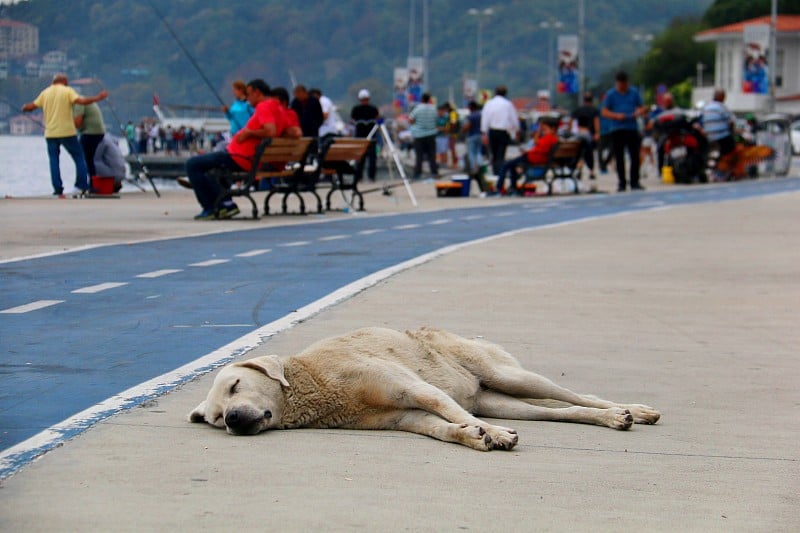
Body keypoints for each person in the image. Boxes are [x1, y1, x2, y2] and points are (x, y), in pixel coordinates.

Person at [185, 79, 286, 220]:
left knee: (192, 164)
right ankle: (226, 204)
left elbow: (270, 131)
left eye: (249, 94)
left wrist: (248, 133)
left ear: (257, 92)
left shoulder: (264, 106)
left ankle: (211, 207)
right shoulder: (279, 108)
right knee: (208, 166)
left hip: (241, 158)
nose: (248, 98)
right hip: (245, 156)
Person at [21, 73, 108, 197]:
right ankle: (82, 185)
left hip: (50, 133)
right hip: (67, 132)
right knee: (79, 158)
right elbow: (81, 101)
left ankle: (57, 188)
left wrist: (24, 107)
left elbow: (31, 106)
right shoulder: (67, 91)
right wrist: (97, 98)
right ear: (64, 82)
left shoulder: (45, 92)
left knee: (54, 161)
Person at [601, 71, 647, 192]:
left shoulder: (634, 92)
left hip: (631, 127)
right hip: (617, 128)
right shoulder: (611, 94)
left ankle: (634, 181)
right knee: (619, 157)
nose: (623, 87)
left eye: (624, 84)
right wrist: (616, 116)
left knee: (634, 156)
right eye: (621, 84)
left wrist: (638, 112)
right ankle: (622, 182)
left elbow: (643, 107)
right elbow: (604, 111)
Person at [494, 116, 559, 196]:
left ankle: (499, 188)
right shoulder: (552, 138)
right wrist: (539, 132)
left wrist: (527, 151)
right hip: (536, 157)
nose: (542, 131)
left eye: (544, 129)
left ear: (552, 129)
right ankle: (513, 187)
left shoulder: (549, 138)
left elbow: (540, 149)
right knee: (511, 165)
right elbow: (537, 143)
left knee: (506, 165)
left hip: (534, 158)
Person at [481, 85, 519, 177]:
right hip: (503, 132)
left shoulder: (489, 103)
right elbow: (514, 119)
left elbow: (485, 118)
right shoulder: (508, 104)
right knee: (501, 154)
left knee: (493, 153)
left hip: (492, 131)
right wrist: (516, 130)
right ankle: (500, 171)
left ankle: (495, 171)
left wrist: (484, 132)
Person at [698, 88, 736, 180]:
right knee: (732, 148)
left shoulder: (706, 107)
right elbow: (730, 122)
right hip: (722, 136)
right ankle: (729, 169)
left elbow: (700, 122)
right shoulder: (721, 107)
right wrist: (732, 131)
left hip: (709, 137)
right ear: (721, 97)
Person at [350, 89, 380, 182]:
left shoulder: (359, 109)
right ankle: (360, 176)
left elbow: (352, 120)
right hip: (362, 137)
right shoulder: (359, 109)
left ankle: (369, 176)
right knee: (361, 158)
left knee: (371, 158)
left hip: (369, 137)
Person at [408, 92, 439, 179]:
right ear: (429, 100)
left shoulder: (417, 109)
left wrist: (416, 124)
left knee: (419, 156)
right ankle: (434, 172)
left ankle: (417, 174)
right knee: (432, 155)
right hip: (431, 134)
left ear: (421, 99)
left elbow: (410, 119)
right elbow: (436, 119)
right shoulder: (433, 109)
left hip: (419, 136)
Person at [571, 91, 600, 181]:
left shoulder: (579, 109)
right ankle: (591, 170)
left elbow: (571, 120)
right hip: (588, 134)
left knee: (579, 153)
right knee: (588, 153)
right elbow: (596, 122)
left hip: (579, 133)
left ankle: (579, 168)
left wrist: (571, 130)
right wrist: (597, 133)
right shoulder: (594, 110)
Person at [73, 101, 106, 179]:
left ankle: (82, 183)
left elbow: (78, 123)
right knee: (89, 159)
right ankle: (92, 182)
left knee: (83, 159)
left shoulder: (78, 103)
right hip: (97, 132)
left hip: (91, 133)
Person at [463, 100, 483, 174]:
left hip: (472, 135)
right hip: (480, 135)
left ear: (471, 107)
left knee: (471, 152)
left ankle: (473, 168)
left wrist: (463, 131)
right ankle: (480, 166)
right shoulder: (481, 115)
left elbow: (467, 126)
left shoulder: (471, 116)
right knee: (478, 152)